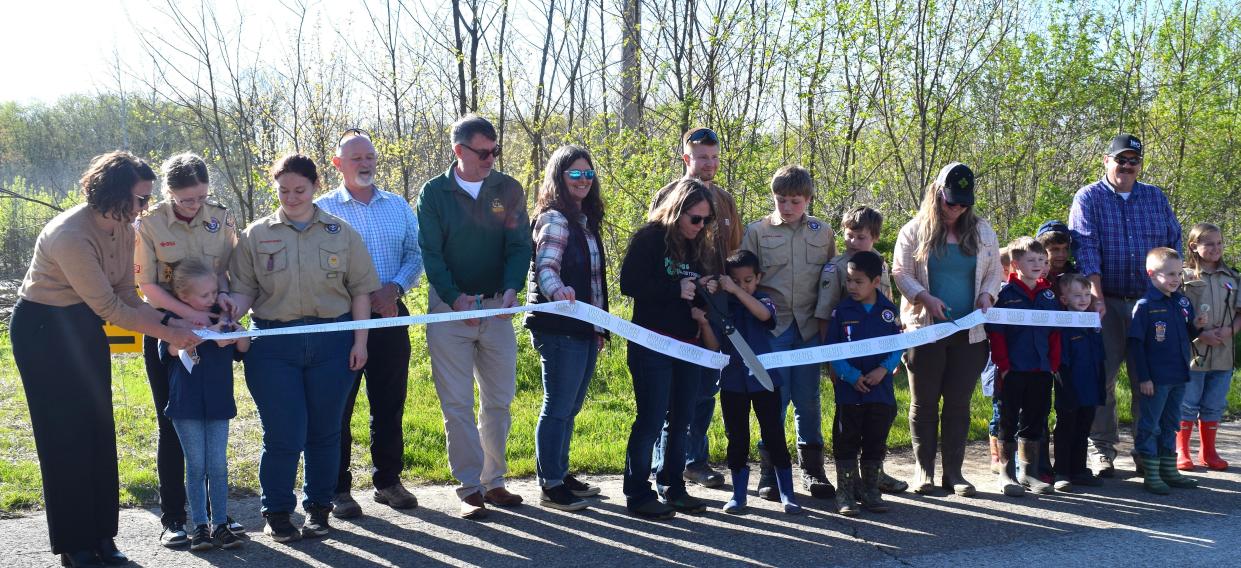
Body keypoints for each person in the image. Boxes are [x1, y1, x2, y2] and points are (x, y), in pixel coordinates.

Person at [11, 150, 202, 568]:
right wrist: (171, 334)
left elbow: (129, 297)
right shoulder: (70, 235)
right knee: (64, 438)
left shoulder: (126, 228)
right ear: (113, 194)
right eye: (140, 200)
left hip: (81, 326)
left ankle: (103, 536)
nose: (145, 208)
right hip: (43, 330)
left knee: (98, 428)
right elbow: (112, 310)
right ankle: (74, 545)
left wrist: (176, 325)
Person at [229, 154, 379, 542]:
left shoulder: (340, 232)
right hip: (273, 346)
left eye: (300, 190)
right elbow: (244, 289)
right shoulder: (255, 235)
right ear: (274, 188)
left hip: (333, 343)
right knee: (283, 433)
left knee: (325, 432)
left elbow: (360, 291)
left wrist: (360, 342)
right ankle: (277, 511)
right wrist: (228, 316)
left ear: (315, 187)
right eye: (283, 190)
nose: (292, 197)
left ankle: (318, 508)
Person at [416, 114, 531, 519]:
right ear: (458, 151)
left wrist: (512, 290)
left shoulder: (507, 189)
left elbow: (520, 245)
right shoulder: (434, 193)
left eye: (495, 151)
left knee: (498, 401)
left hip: (497, 307)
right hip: (450, 311)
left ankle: (494, 481)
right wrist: (453, 298)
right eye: (483, 152)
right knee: (458, 404)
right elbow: (431, 252)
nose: (490, 159)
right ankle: (469, 488)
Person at [133, 152, 241, 546]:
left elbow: (228, 270)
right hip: (165, 326)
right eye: (186, 200)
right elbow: (148, 286)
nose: (194, 207)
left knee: (212, 415)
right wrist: (183, 317)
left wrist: (225, 299)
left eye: (200, 197)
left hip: (213, 329)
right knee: (173, 422)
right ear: (169, 193)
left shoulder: (222, 217)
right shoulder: (148, 222)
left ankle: (216, 517)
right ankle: (175, 518)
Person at [316, 129, 423, 518]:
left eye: (370, 157)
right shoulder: (321, 209)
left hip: (391, 315)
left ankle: (388, 481)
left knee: (389, 402)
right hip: (341, 321)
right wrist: (359, 298)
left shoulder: (397, 205)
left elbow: (416, 253)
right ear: (337, 163)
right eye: (356, 157)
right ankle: (337, 488)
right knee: (339, 406)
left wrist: (393, 288)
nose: (365, 163)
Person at [1069, 133, 1182, 478]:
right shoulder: (1088, 197)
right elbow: (1086, 250)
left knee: (1148, 379)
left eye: (1134, 160)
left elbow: (1173, 242)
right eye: (1122, 159)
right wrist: (1097, 299)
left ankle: (1147, 450)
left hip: (1152, 304)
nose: (1128, 166)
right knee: (1103, 377)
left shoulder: (1154, 197)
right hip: (1110, 302)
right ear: (1107, 161)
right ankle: (1102, 450)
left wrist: (1173, 294)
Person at [892, 162, 1003, 496]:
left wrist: (987, 293)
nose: (956, 208)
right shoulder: (913, 231)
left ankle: (954, 474)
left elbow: (995, 270)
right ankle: (923, 471)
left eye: (963, 202)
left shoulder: (983, 231)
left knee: (958, 403)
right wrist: (924, 297)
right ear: (936, 193)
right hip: (925, 330)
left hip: (969, 333)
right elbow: (900, 271)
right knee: (924, 402)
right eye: (950, 201)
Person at [620, 177, 720, 520]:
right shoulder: (649, 238)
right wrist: (676, 288)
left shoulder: (698, 245)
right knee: (650, 419)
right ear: (676, 211)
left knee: (682, 420)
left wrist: (705, 289)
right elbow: (629, 284)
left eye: (706, 220)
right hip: (652, 343)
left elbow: (696, 288)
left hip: (688, 344)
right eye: (695, 219)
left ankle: (673, 486)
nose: (701, 226)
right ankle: (637, 493)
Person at [649, 127, 742, 489]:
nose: (710, 164)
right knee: (671, 389)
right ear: (686, 158)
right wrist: (678, 290)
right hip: (676, 305)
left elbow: (732, 254)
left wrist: (726, 286)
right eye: (702, 157)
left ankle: (694, 460)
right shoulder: (667, 197)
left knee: (705, 387)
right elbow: (655, 252)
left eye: (715, 157)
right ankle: (662, 463)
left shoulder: (726, 200)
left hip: (715, 307)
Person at [741, 165, 836, 500]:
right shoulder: (757, 231)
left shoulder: (822, 232)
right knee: (773, 401)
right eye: (781, 200)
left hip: (808, 327)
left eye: (795, 201)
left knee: (808, 400)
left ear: (807, 199)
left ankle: (812, 471)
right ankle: (770, 471)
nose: (788, 207)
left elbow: (831, 278)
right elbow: (746, 280)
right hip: (773, 328)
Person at [524, 145, 609, 512]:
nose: (583, 180)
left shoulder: (584, 220)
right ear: (558, 177)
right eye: (574, 174)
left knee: (570, 406)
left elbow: (594, 279)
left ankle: (560, 472)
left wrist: (601, 327)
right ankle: (550, 485)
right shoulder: (555, 219)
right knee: (558, 406)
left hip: (585, 326)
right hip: (558, 325)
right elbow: (546, 268)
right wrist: (558, 292)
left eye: (588, 174)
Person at [693, 250, 799, 515]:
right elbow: (715, 345)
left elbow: (765, 317)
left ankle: (787, 492)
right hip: (732, 382)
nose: (743, 285)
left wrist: (737, 291)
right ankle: (739, 494)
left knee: (773, 433)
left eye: (748, 280)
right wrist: (704, 322)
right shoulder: (721, 306)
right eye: (736, 281)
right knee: (736, 436)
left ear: (758, 278)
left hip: (765, 380)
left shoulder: (762, 299)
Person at [814, 205, 907, 494]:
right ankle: (849, 480)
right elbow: (826, 314)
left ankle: (874, 476)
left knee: (876, 422)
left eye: (861, 237)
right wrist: (831, 362)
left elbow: (887, 309)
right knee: (849, 423)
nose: (854, 242)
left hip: (877, 356)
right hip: (846, 355)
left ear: (875, 237)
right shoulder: (836, 267)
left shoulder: (879, 264)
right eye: (850, 236)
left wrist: (890, 359)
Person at [159, 259, 247, 552]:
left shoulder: (220, 318)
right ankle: (199, 526)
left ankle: (220, 524)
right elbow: (171, 349)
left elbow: (244, 348)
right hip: (186, 407)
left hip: (219, 404)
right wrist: (205, 335)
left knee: (218, 466)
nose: (214, 298)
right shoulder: (172, 320)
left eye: (215, 292)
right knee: (196, 466)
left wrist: (234, 332)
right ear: (184, 297)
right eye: (206, 295)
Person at [825, 251, 903, 517]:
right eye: (849, 281)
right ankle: (845, 491)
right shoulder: (842, 311)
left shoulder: (888, 312)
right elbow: (832, 350)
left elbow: (897, 347)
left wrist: (884, 369)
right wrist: (850, 375)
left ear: (876, 281)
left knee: (875, 440)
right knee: (846, 440)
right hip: (850, 391)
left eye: (858, 281)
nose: (852, 287)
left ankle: (870, 489)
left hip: (879, 391)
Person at [1127, 248, 1204, 494]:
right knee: (1151, 424)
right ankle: (1151, 472)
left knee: (1171, 423)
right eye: (1169, 273)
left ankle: (1168, 468)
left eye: (1179, 273)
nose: (1176, 279)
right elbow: (1136, 345)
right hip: (1156, 378)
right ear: (1151, 274)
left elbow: (1187, 334)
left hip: (1179, 374)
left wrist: (1197, 328)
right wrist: (1144, 378)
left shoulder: (1181, 301)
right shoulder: (1146, 305)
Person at [987, 237, 1059, 497]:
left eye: (1042, 260)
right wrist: (1004, 366)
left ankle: (1028, 472)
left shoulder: (1049, 294)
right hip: (1013, 369)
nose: (1038, 264)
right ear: (1016, 264)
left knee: (1036, 418)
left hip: (1041, 369)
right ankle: (1006, 472)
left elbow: (1055, 333)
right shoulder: (1004, 295)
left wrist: (1052, 364)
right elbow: (996, 333)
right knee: (1007, 420)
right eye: (1031, 260)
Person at [1177, 223, 1240, 471]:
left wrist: (1229, 331)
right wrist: (1201, 333)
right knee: (1188, 403)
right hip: (1195, 351)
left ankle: (1209, 452)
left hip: (1223, 352)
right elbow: (1178, 313)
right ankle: (1182, 451)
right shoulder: (1184, 276)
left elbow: (1239, 313)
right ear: (1194, 246)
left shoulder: (1233, 277)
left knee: (1214, 404)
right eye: (1209, 243)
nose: (1216, 248)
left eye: (1219, 243)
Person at [1052, 273, 1106, 491]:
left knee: (1084, 428)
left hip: (1090, 386)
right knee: (1066, 428)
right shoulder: (1063, 324)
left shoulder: (1093, 321)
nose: (1083, 299)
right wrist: (1067, 388)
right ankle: (1062, 471)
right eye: (1077, 295)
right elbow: (1061, 361)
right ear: (1064, 300)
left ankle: (1079, 469)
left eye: (1086, 294)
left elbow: (1099, 356)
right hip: (1070, 387)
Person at [984, 246, 1013, 475]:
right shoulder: (998, 295)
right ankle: (996, 456)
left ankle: (1014, 455)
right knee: (999, 411)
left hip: (1018, 362)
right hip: (997, 365)